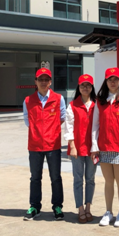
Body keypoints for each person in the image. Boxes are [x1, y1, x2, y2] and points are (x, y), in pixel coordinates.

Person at [91, 67, 119, 228]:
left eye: (115, 79)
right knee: (108, 181)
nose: (113, 82)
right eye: (110, 79)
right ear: (106, 81)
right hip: (104, 147)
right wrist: (94, 145)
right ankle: (108, 212)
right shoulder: (100, 101)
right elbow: (95, 125)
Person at [23, 67, 67, 221]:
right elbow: (27, 120)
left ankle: (57, 206)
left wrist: (50, 130)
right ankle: (35, 206)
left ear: (50, 82)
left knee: (55, 177)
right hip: (35, 145)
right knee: (35, 177)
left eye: (46, 79)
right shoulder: (28, 100)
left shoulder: (58, 98)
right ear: (35, 82)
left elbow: (62, 117)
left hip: (53, 144)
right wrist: (37, 132)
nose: (43, 82)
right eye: (40, 79)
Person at [64, 74, 98, 224]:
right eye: (82, 85)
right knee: (78, 179)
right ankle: (80, 209)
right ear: (78, 87)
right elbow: (69, 127)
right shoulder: (73, 105)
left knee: (90, 179)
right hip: (77, 148)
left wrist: (97, 147)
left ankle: (88, 207)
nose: (85, 88)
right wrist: (72, 146)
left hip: (93, 149)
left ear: (92, 87)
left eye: (88, 85)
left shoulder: (97, 105)